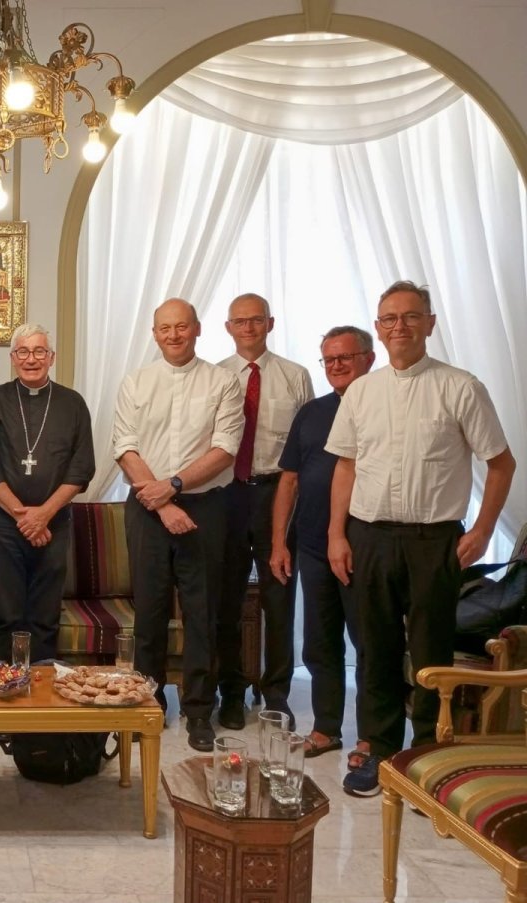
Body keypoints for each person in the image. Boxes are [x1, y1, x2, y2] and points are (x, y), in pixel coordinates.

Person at [326, 281, 515, 797]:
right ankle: (379, 752)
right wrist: (336, 535)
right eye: (389, 318)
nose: (399, 327)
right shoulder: (362, 390)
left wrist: (480, 531)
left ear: (430, 323)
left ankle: (428, 756)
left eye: (411, 317)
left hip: (436, 541)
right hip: (369, 536)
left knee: (431, 652)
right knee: (374, 649)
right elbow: (346, 465)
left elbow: (500, 464)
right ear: (378, 328)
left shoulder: (461, 386)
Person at [112, 299, 244, 751]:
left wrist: (174, 485)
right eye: (165, 328)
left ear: (197, 330)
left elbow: (225, 448)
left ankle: (199, 711)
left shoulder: (223, 382)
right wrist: (162, 499)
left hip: (205, 508)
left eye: (181, 327)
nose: (173, 335)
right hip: (148, 507)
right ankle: (148, 704)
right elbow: (125, 446)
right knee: (148, 612)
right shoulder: (137, 382)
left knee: (202, 613)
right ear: (154, 333)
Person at [270, 326, 376, 761]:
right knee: (319, 642)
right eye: (328, 360)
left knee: (369, 643)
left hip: (365, 545)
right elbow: (289, 479)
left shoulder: (381, 405)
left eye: (344, 358)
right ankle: (327, 728)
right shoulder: (311, 412)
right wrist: (279, 542)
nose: (335, 367)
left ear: (368, 358)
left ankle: (371, 736)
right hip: (312, 546)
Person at [215, 293, 313, 730]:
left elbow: (308, 447)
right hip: (226, 495)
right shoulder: (213, 376)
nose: (248, 328)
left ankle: (276, 693)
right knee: (227, 599)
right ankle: (231, 692)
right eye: (240, 321)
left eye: (256, 321)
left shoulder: (296, 376)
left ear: (270, 324)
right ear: (228, 327)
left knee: (279, 598)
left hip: (278, 494)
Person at [0, 324, 95, 664]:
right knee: (7, 614)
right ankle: (2, 694)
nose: (31, 359)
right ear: (12, 358)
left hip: (54, 524)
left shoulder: (72, 403)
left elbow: (82, 468)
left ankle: (40, 699)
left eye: (39, 351)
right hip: (2, 525)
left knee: (44, 616)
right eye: (23, 352)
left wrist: (43, 515)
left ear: (51, 357)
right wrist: (23, 516)